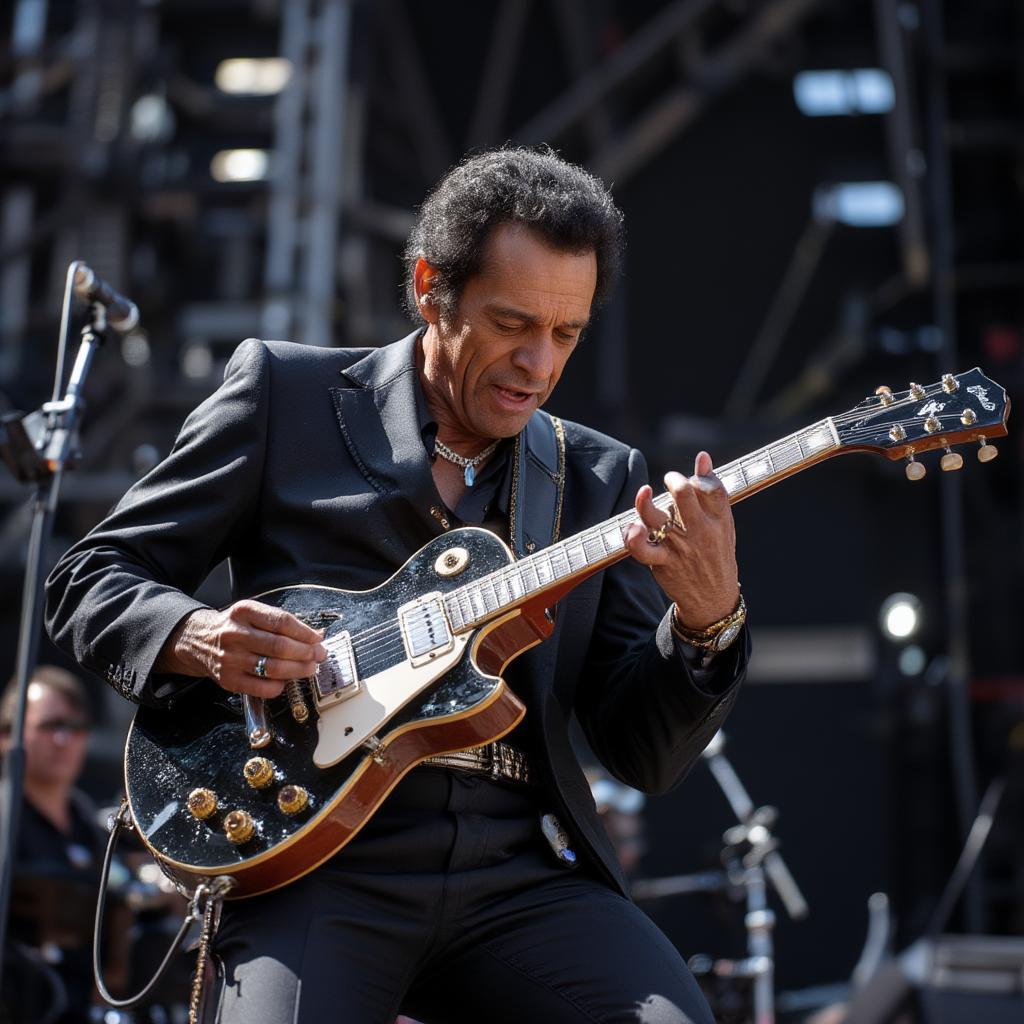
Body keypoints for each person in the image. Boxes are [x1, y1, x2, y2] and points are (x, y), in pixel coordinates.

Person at [45, 147, 750, 1024]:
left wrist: (707, 620)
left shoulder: (600, 477)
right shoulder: (286, 395)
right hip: (311, 859)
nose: (538, 363)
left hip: (518, 871)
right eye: (511, 323)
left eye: (565, 335)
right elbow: (89, 578)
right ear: (429, 287)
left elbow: (642, 751)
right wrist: (197, 637)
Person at [0, 666, 109, 1023]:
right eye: (51, 726)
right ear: (7, 736)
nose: (65, 740)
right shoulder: (6, 819)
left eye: (76, 729)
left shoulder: (93, 828)